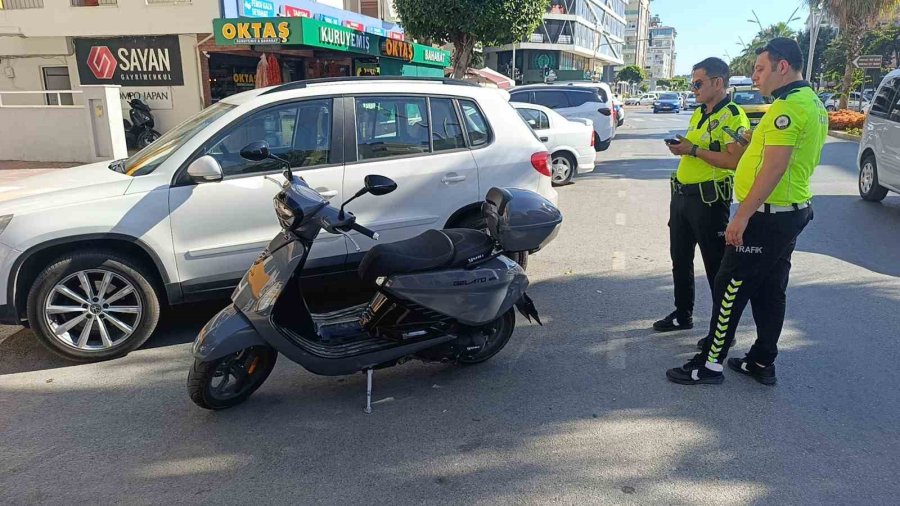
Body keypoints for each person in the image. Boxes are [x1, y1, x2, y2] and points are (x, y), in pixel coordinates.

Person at [666, 38, 828, 386]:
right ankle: (761, 360)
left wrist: (742, 216)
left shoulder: (788, 109)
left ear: (782, 67)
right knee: (770, 288)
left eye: (759, 69)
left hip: (769, 214)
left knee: (729, 284)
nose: (754, 76)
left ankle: (710, 364)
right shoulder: (808, 102)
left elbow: (774, 168)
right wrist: (753, 140)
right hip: (790, 210)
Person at [653, 58, 750, 333]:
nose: (693, 89)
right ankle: (682, 314)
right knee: (680, 259)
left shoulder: (733, 116)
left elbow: (733, 161)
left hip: (709, 201)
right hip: (682, 197)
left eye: (698, 84)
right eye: (692, 84)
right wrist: (684, 148)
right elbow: (696, 148)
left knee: (716, 268)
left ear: (717, 83)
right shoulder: (699, 112)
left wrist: (692, 150)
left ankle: (721, 332)